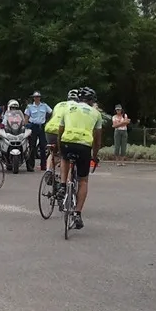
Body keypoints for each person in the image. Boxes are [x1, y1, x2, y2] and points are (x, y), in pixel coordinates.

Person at [58, 87, 103, 230]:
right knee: (83, 181)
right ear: (91, 101)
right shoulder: (96, 113)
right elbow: (97, 140)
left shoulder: (68, 108)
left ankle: (63, 185)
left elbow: (60, 131)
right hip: (84, 146)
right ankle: (77, 213)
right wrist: (94, 156)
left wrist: (61, 149)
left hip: (67, 142)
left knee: (64, 158)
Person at [44, 89, 79, 175]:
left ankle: (48, 170)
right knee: (65, 156)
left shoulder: (59, 104)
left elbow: (53, 116)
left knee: (53, 153)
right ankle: (64, 179)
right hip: (62, 130)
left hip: (49, 129)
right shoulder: (77, 107)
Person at [24, 91, 52, 171]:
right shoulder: (30, 107)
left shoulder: (44, 106)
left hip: (42, 127)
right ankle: (30, 166)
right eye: (35, 97)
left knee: (43, 146)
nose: (37, 98)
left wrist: (49, 121)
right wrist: (26, 127)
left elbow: (51, 112)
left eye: (38, 97)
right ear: (33, 98)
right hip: (33, 126)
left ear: (40, 97)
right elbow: (26, 117)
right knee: (32, 146)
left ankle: (43, 166)